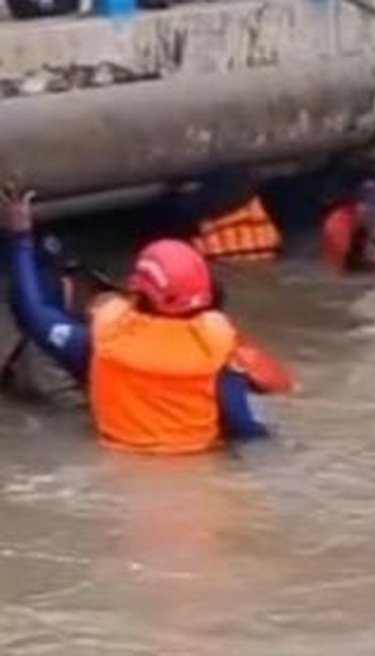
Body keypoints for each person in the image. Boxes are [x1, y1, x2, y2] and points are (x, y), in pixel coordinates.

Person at [1, 185, 294, 454]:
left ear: (137, 289)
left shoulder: (102, 342)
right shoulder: (217, 349)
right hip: (196, 467)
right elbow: (242, 427)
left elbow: (33, 312)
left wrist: (20, 238)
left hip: (117, 463)